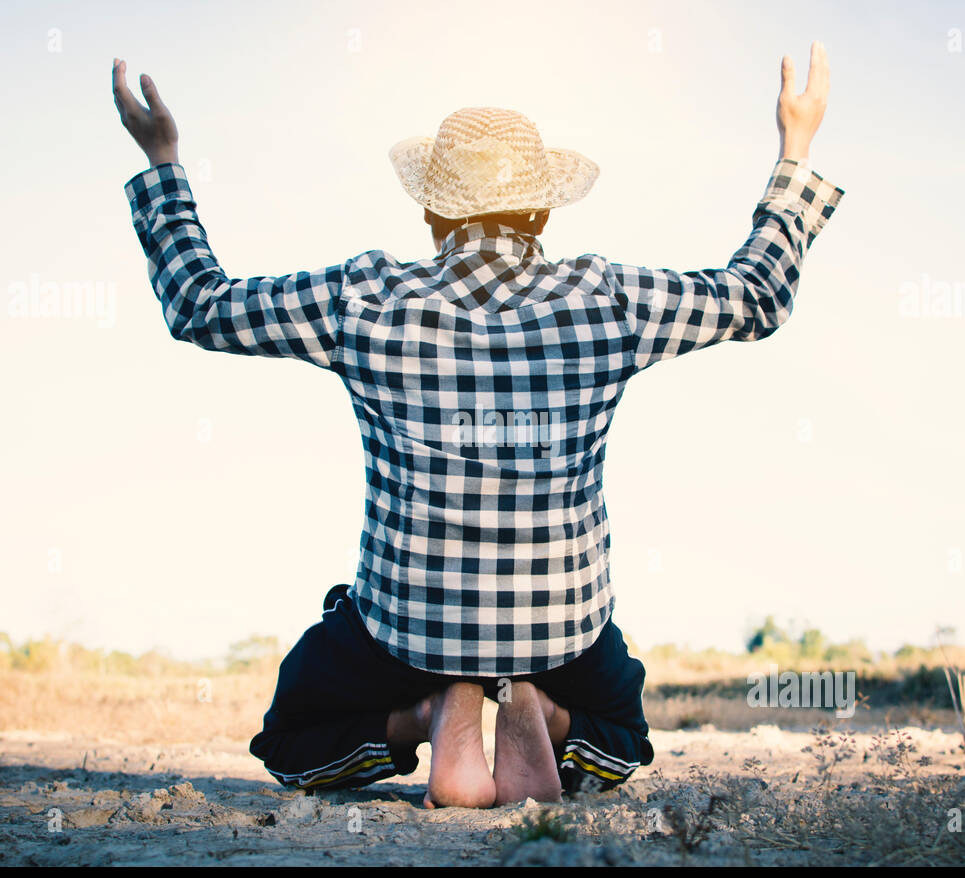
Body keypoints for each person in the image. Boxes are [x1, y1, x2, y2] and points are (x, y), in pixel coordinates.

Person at [111, 43, 843, 808]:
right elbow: (757, 296)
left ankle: (431, 709)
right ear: (544, 209)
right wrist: (797, 144)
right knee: (623, 727)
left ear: (430, 211)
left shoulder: (365, 298)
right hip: (561, 630)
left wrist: (162, 158)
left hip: (408, 632)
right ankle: (542, 710)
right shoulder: (608, 299)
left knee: (291, 731)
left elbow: (199, 304)